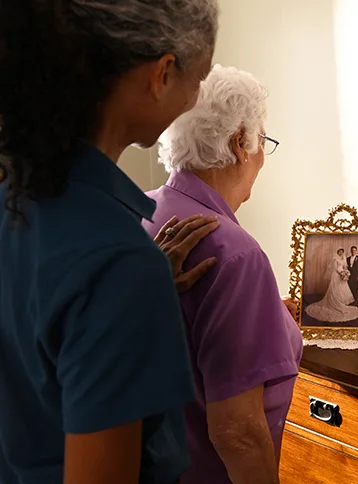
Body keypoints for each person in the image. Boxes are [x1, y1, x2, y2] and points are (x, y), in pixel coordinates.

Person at [0, 1, 218, 483]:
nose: (196, 96)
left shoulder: (15, 198)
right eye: (197, 78)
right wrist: (128, 287)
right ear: (162, 75)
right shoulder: (119, 265)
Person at [142, 65, 303, 484]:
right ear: (240, 144)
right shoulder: (235, 253)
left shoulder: (135, 213)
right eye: (262, 139)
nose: (262, 155)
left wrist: (271, 313)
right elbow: (239, 434)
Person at [306, 248, 358, 322]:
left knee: (343, 288)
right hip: (336, 275)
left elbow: (345, 266)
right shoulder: (335, 259)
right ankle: (334, 300)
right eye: (339, 252)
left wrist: (345, 272)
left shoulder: (344, 259)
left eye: (342, 252)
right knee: (335, 288)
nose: (341, 253)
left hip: (342, 275)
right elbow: (335, 268)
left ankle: (341, 301)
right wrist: (341, 273)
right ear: (337, 252)